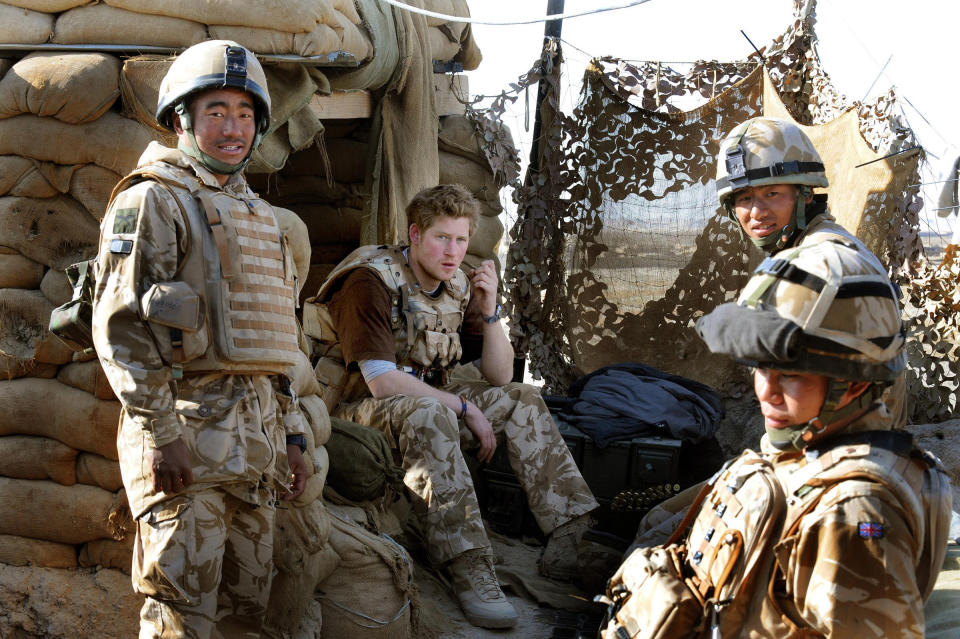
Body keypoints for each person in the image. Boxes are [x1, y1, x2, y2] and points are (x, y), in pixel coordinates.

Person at [599, 238, 952, 638]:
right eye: (760, 367)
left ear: (852, 385)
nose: (765, 391)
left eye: (791, 375)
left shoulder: (855, 512)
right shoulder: (807, 448)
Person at [305, 184, 598, 629]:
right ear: (415, 234)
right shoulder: (369, 279)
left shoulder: (458, 284)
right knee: (431, 411)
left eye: (461, 240)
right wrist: (465, 408)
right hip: (352, 412)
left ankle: (568, 538)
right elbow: (382, 382)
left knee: (522, 398)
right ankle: (468, 565)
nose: (453, 251)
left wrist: (491, 309)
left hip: (427, 403)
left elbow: (501, 378)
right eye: (442, 238)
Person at [91, 41, 309, 639]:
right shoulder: (153, 200)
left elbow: (278, 341)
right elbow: (121, 329)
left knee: (245, 617)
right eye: (215, 111)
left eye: (244, 113)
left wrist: (291, 433)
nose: (232, 128)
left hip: (255, 454)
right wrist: (162, 437)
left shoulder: (260, 215)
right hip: (186, 447)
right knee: (179, 619)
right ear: (183, 117)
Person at [716, 115, 876, 255]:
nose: (757, 213)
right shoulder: (814, 246)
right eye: (744, 198)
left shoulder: (815, 260)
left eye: (771, 194)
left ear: (806, 194)